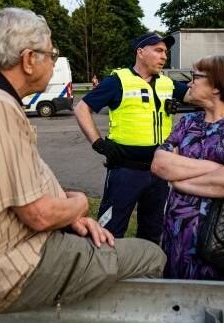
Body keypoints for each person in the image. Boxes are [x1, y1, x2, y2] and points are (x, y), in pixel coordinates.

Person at [0, 7, 165, 314]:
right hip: (10, 272)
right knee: (151, 254)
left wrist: (72, 220)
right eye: (51, 53)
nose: (54, 61)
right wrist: (77, 205)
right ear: (28, 60)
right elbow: (39, 215)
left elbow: (22, 187)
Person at [150, 54, 224, 281]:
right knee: (179, 303)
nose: (189, 83)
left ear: (216, 85)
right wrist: (218, 167)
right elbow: (160, 163)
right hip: (180, 233)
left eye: (195, 77)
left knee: (223, 306)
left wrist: (179, 181)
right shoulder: (188, 122)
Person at [73, 32, 189, 244]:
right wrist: (99, 143)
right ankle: (106, 272)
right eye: (158, 50)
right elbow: (82, 108)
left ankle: (147, 272)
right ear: (141, 52)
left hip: (159, 170)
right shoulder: (118, 81)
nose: (164, 56)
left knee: (153, 228)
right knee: (110, 228)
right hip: (126, 169)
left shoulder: (168, 84)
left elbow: (198, 96)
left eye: (166, 52)